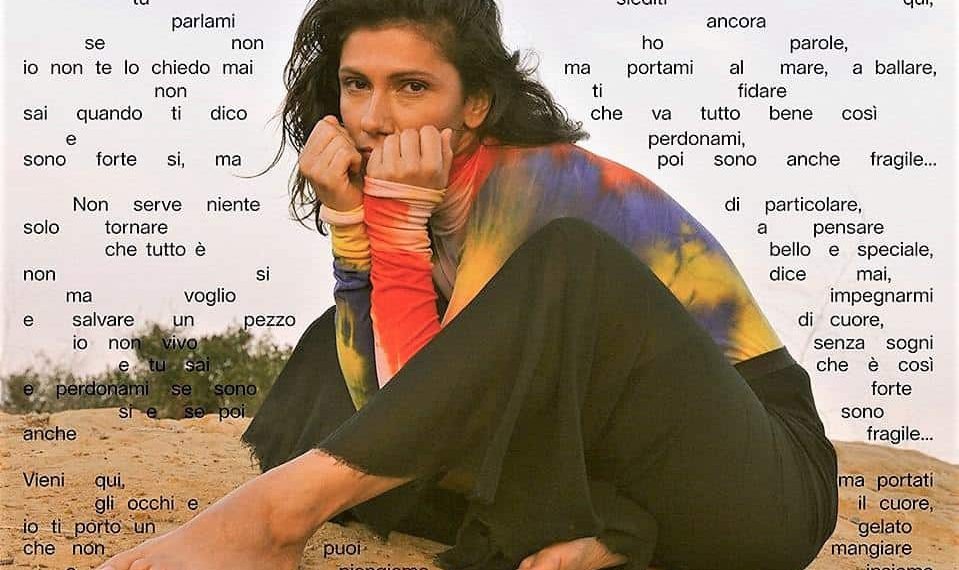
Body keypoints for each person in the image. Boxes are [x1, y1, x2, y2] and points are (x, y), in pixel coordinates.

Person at [97, 1, 839, 569]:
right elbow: (391, 410)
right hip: (628, 473)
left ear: (475, 104)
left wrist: (391, 229)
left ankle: (271, 517)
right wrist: (352, 226)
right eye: (356, 85)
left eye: (411, 87)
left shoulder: (535, 182)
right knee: (332, 347)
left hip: (760, 484)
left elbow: (431, 413)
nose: (374, 119)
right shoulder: (419, 195)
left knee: (567, 261)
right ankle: (618, 529)